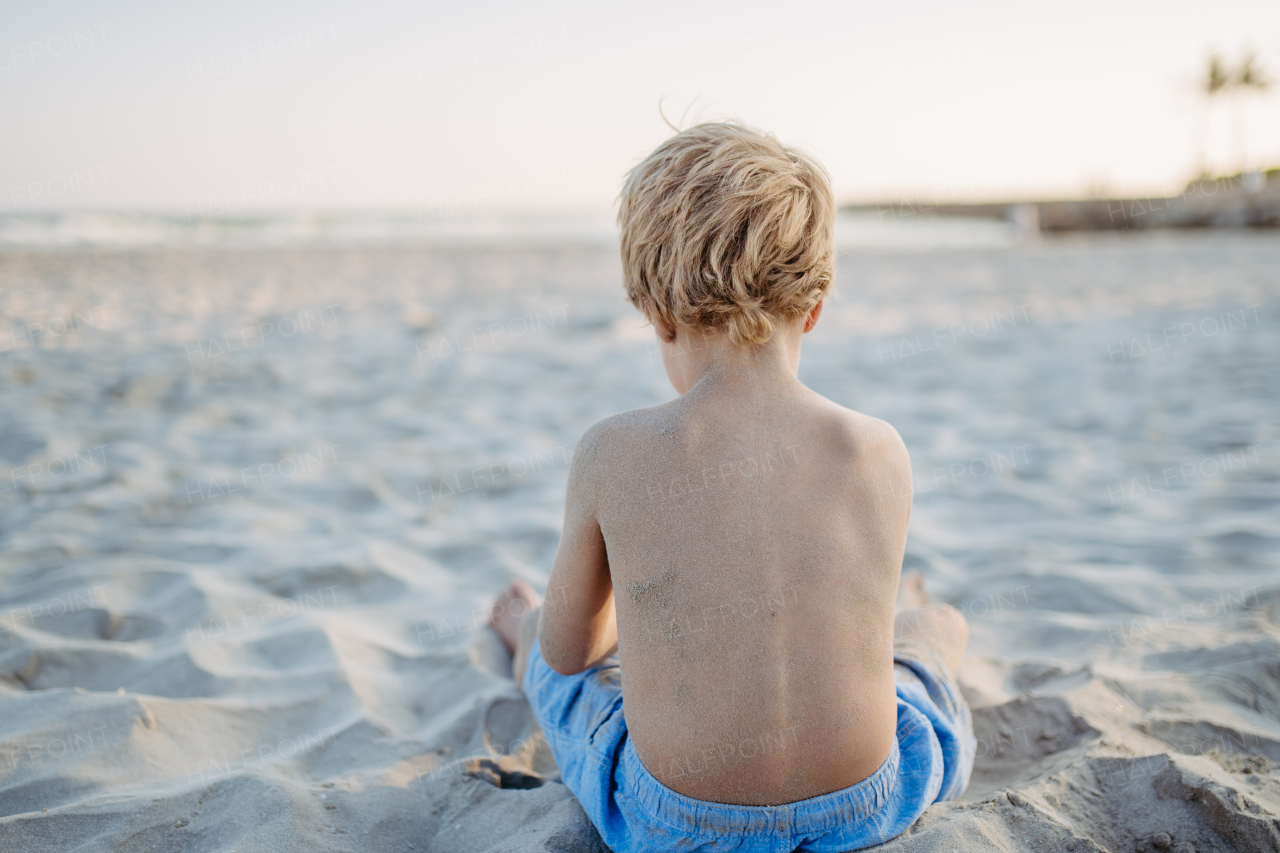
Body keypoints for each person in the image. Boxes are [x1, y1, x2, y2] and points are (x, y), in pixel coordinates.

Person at [488, 122, 975, 852]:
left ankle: (509, 621)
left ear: (655, 314)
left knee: (551, 671)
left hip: (678, 823)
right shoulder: (879, 449)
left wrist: (574, 622)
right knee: (921, 661)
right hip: (864, 806)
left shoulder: (611, 452)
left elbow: (572, 651)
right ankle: (930, 625)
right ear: (814, 306)